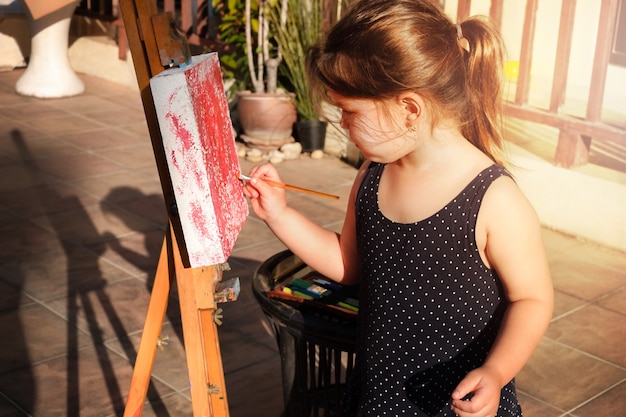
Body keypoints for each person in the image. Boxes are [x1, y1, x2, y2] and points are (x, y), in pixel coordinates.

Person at [242, 0, 553, 415]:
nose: (343, 126)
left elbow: (532, 299)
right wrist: (278, 213)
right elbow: (349, 264)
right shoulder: (373, 172)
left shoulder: (492, 199)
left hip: (453, 403)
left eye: (350, 112)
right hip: (377, 395)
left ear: (409, 108)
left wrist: (496, 372)